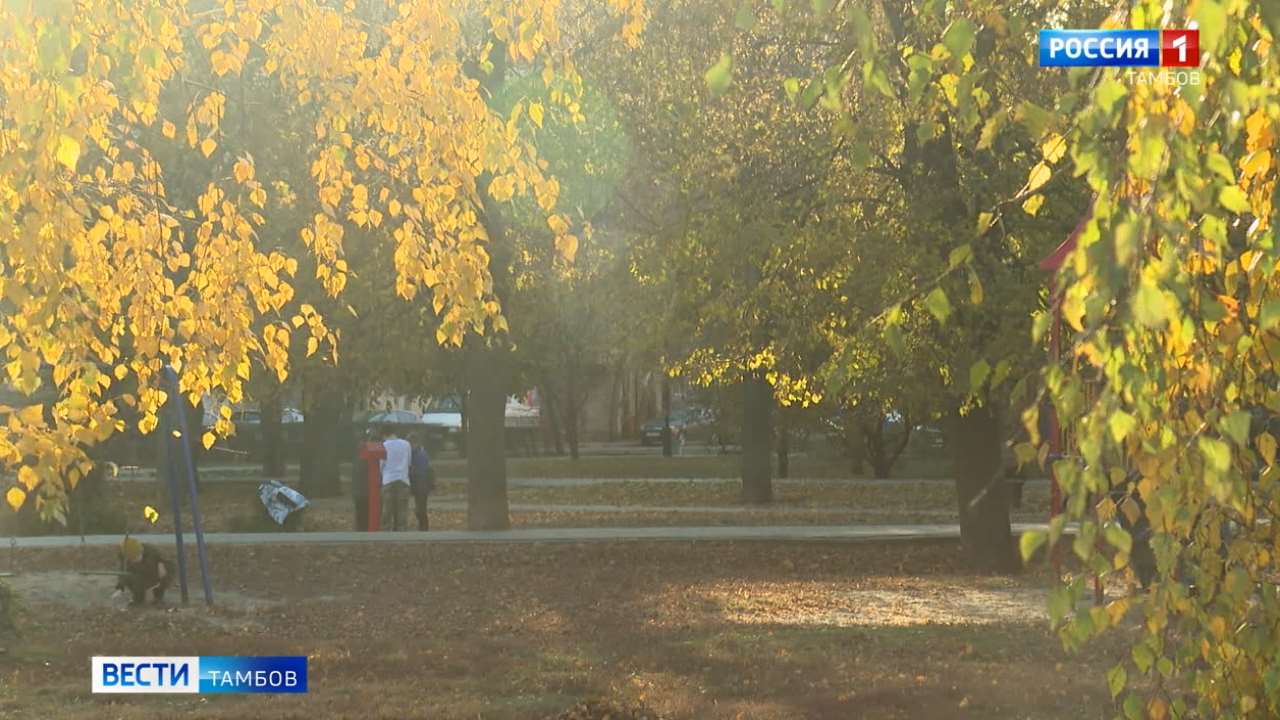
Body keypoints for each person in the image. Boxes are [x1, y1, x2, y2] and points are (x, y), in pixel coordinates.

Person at [116, 537, 171, 606]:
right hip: (139, 575)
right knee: (132, 578)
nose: (135, 560)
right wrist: (120, 587)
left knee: (163, 576)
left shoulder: (151, 551)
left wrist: (161, 563)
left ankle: (157, 596)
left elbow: (163, 557)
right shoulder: (124, 560)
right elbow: (122, 574)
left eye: (137, 556)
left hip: (155, 573)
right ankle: (139, 598)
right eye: (132, 559)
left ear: (142, 551)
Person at [379, 426, 412, 531]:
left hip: (388, 479)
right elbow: (409, 462)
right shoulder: (406, 444)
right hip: (403, 479)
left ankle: (386, 532)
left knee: (387, 509)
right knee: (402, 509)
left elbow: (381, 464)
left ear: (384, 435)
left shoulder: (384, 445)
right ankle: (401, 532)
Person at [409, 432, 436, 530]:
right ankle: (423, 526)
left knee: (420, 508)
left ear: (413, 443)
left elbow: (420, 470)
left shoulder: (419, 454)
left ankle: (424, 527)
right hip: (420, 484)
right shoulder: (420, 452)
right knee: (420, 507)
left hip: (421, 484)